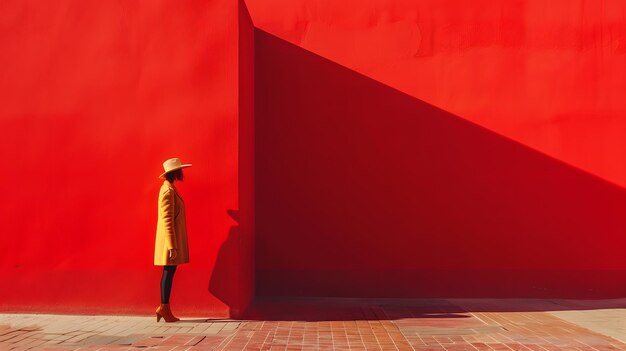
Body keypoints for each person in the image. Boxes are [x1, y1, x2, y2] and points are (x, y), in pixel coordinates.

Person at [154, 157, 192, 322]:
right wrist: (171, 246)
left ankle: (164, 308)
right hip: (170, 242)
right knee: (168, 273)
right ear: (175, 172)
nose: (182, 172)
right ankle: (164, 308)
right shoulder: (167, 191)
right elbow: (167, 219)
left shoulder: (170, 189)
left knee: (169, 272)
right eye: (180, 169)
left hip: (171, 241)